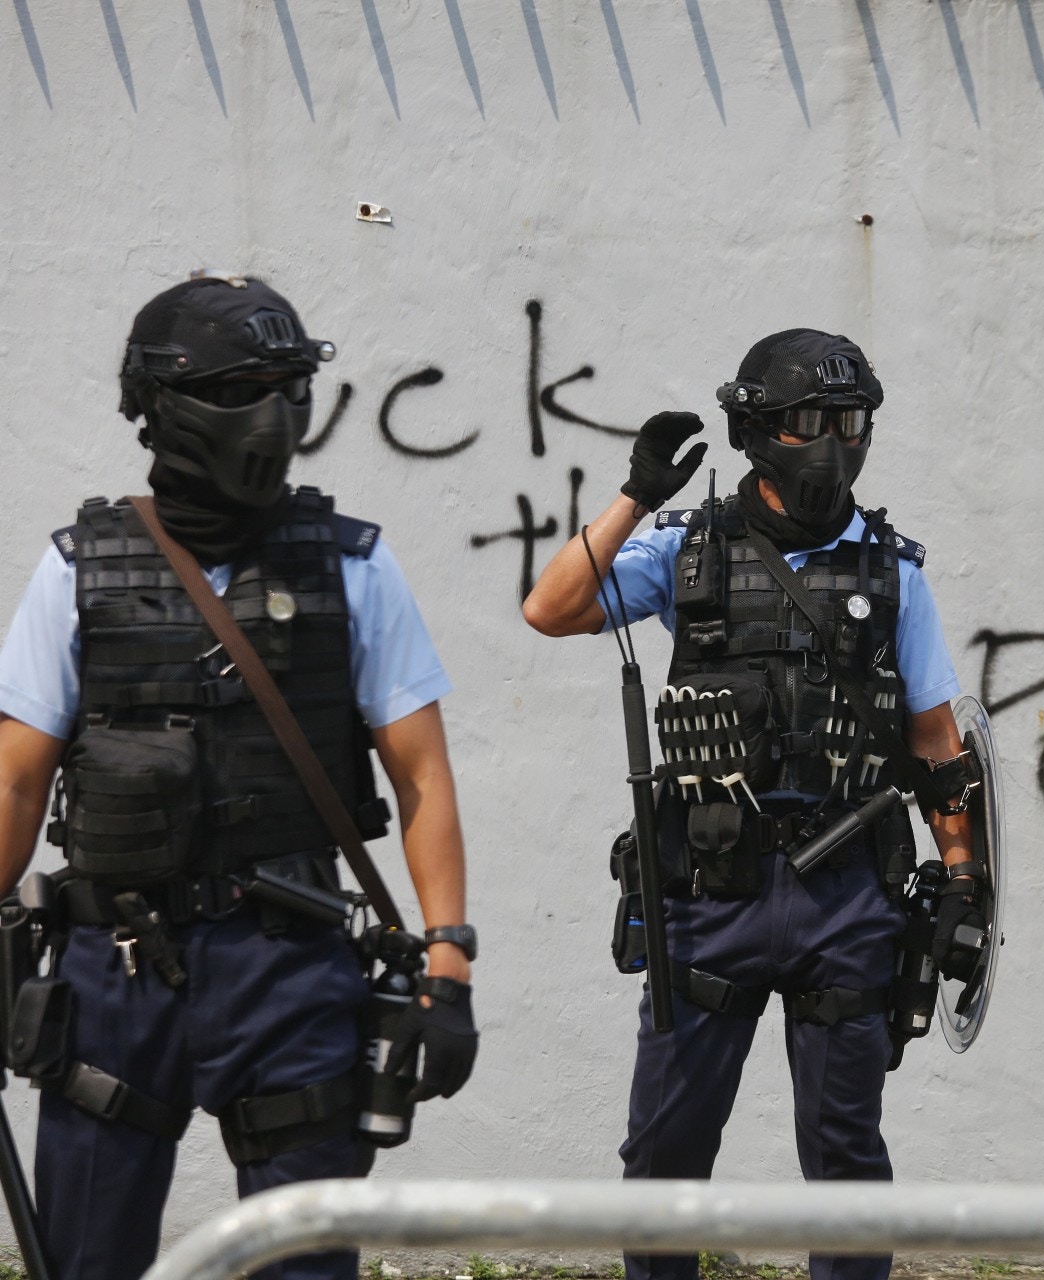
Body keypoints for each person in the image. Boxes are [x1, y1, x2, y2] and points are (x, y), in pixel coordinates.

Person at [0, 274, 480, 1279]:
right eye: (239, 386)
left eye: (285, 382)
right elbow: (15, 782)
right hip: (113, 963)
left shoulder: (353, 569)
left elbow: (422, 774)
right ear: (162, 405)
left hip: (292, 963)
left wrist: (448, 961)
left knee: (302, 1261)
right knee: (86, 1256)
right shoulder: (77, 571)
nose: (270, 411)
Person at [523, 328, 989, 1280]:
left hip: (849, 892)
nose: (834, 443)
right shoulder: (685, 551)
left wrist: (964, 877)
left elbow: (939, 744)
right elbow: (552, 606)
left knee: (848, 1161)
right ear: (760, 430)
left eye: (851, 422)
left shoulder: (895, 570)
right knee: (664, 1156)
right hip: (709, 885)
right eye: (812, 421)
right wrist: (636, 495)